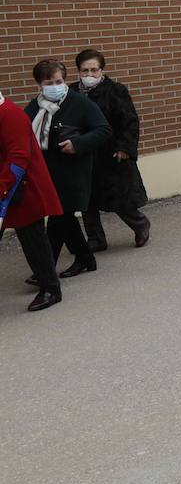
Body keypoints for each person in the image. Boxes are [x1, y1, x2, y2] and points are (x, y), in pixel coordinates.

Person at [24, 59, 111, 280]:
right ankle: (85, 259)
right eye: (49, 82)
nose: (55, 85)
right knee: (64, 217)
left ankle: (44, 270)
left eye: (59, 81)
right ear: (39, 85)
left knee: (59, 217)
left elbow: (103, 130)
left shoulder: (79, 102)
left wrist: (78, 144)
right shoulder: (35, 106)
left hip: (73, 172)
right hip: (47, 173)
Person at [72, 49, 150, 251]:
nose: (89, 75)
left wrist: (124, 147)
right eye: (85, 70)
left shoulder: (115, 91)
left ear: (102, 70)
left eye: (94, 70)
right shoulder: (72, 93)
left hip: (111, 154)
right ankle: (96, 239)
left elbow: (130, 121)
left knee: (119, 198)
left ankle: (140, 225)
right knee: (87, 201)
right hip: (83, 154)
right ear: (78, 71)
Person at [1, 84, 65, 311]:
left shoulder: (10, 114)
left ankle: (51, 289)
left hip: (23, 190)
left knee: (34, 240)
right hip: (8, 188)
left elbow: (19, 157)